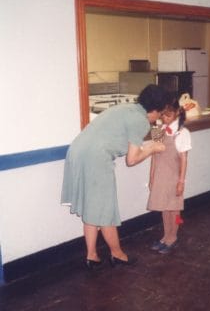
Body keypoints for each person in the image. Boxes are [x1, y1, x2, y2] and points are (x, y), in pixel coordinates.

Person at [61, 84, 168, 269]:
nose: (159, 117)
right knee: (105, 209)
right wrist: (151, 149)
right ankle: (117, 254)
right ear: (155, 110)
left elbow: (136, 138)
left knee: (92, 207)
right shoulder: (140, 121)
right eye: (160, 113)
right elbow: (132, 160)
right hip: (96, 158)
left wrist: (153, 140)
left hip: (77, 152)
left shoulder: (126, 109)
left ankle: (92, 256)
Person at [147, 96, 192, 254]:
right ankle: (165, 236)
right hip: (161, 175)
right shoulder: (158, 130)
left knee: (174, 209)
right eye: (163, 115)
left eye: (168, 115)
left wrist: (181, 182)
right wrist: (151, 177)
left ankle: (173, 237)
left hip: (173, 177)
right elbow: (154, 155)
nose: (164, 118)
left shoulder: (182, 132)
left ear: (177, 113)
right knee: (164, 208)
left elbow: (184, 158)